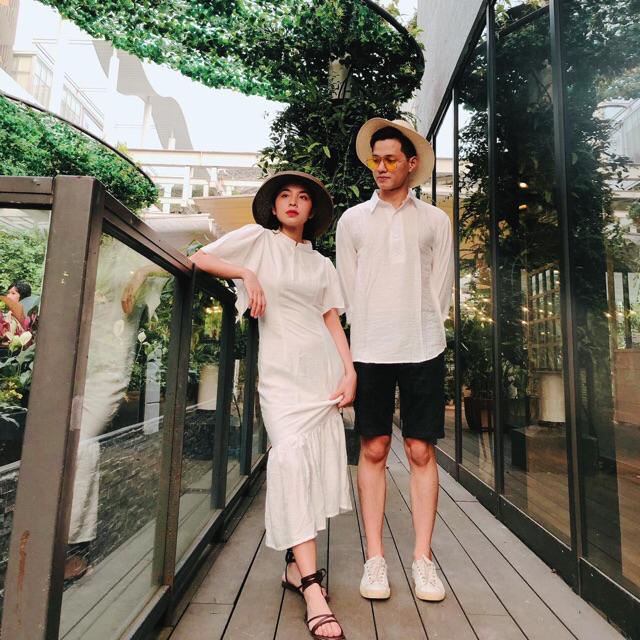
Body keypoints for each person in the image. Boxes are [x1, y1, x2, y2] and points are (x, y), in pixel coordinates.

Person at [191, 171, 354, 640]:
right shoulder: (258, 241)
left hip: (321, 374)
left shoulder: (322, 264)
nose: (293, 202)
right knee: (289, 461)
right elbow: (200, 257)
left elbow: (331, 320)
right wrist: (246, 273)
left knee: (310, 469)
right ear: (274, 205)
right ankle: (312, 585)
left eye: (302, 197)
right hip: (281, 378)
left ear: (312, 210)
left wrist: (350, 371)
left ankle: (295, 567)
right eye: (285, 195)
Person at [336, 119, 454, 603]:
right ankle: (375, 558)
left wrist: (424, 324)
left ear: (411, 164)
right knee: (375, 448)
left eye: (390, 159)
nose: (381, 167)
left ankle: (423, 559)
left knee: (422, 451)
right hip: (370, 348)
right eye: (375, 160)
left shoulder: (435, 221)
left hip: (423, 346)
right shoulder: (352, 221)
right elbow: (346, 290)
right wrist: (358, 342)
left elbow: (441, 287)